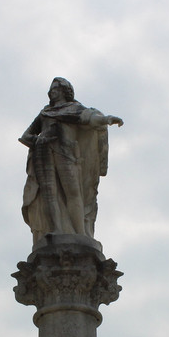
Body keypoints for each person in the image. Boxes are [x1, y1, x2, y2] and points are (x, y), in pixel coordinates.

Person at [20, 78, 124, 243]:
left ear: (64, 91)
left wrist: (107, 119)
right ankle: (56, 229)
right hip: (44, 153)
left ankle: (80, 233)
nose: (51, 91)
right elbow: (25, 136)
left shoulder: (73, 109)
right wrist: (40, 140)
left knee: (73, 192)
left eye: (55, 88)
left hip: (66, 152)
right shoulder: (45, 113)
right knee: (49, 193)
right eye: (51, 88)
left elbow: (90, 118)